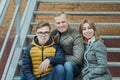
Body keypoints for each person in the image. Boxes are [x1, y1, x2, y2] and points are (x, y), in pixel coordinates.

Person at [51, 11, 84, 80]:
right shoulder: (53, 34)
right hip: (59, 64)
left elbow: (77, 59)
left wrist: (59, 58)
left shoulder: (75, 35)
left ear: (68, 21)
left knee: (67, 65)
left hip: (74, 66)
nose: (61, 25)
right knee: (59, 67)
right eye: (58, 23)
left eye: (63, 22)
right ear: (55, 24)